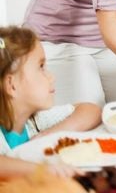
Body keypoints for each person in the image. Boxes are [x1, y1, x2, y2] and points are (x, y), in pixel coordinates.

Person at [0, 26, 101, 178]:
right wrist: (43, 171)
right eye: (41, 67)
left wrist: (50, 135)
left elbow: (91, 110)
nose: (51, 77)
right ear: (12, 85)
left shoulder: (34, 121)